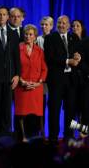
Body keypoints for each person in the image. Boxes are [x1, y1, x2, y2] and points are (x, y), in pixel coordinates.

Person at [44, 15, 81, 143]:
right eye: (59, 23)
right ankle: (53, 138)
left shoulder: (74, 37)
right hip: (56, 80)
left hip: (71, 80)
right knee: (54, 109)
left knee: (71, 110)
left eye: (64, 23)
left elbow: (78, 53)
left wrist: (78, 57)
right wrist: (67, 61)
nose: (61, 25)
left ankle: (69, 136)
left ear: (68, 25)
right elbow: (49, 58)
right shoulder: (50, 38)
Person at [0, 6, 20, 134]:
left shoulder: (13, 33)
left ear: (8, 17)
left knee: (7, 108)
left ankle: (6, 134)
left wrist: (17, 74)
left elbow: (16, 56)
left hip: (9, 77)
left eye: (4, 14)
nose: (1, 17)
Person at [14, 24, 48, 141]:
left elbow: (44, 69)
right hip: (22, 87)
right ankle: (22, 137)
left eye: (30, 34)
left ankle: (41, 136)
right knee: (22, 114)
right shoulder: (18, 48)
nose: (28, 36)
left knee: (38, 114)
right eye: (26, 34)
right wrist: (21, 81)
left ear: (35, 36)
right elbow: (14, 67)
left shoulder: (39, 51)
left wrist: (39, 82)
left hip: (36, 88)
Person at [36, 16, 54, 137]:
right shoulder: (37, 39)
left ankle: (54, 130)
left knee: (53, 105)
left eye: (46, 24)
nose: (44, 27)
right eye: (42, 24)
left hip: (53, 77)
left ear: (51, 26)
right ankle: (41, 131)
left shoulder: (55, 39)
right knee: (40, 105)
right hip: (41, 77)